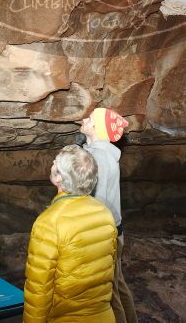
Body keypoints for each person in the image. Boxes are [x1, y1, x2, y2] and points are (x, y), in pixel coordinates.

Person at [23, 145, 117, 323]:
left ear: (59, 178)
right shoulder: (104, 213)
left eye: (55, 163)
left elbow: (39, 289)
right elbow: (107, 270)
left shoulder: (49, 223)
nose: (52, 162)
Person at [79, 108, 137, 323]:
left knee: (107, 293)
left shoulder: (98, 158)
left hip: (103, 234)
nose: (85, 119)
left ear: (97, 129)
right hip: (114, 230)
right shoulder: (103, 153)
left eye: (90, 119)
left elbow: (97, 203)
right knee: (117, 283)